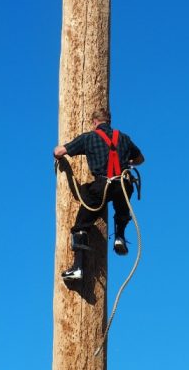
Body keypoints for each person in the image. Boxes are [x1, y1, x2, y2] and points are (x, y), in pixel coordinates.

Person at [54, 108, 144, 281]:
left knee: (81, 225)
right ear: (109, 121)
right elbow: (141, 159)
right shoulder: (124, 138)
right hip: (124, 184)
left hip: (102, 185)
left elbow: (60, 151)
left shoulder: (89, 137)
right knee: (121, 209)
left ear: (94, 122)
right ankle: (120, 238)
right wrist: (126, 162)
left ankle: (78, 268)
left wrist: (55, 155)